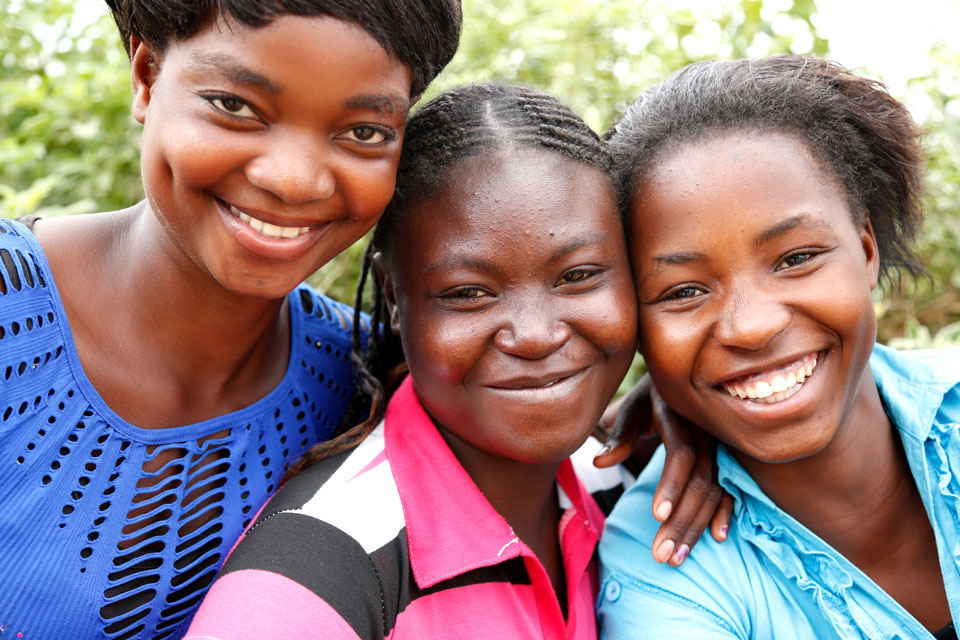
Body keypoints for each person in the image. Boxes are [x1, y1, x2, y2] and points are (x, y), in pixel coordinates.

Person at [0, 2, 461, 638]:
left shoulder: (372, 384)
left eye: (363, 132)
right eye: (236, 106)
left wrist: (651, 420)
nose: (294, 181)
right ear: (146, 75)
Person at [185, 83, 640, 639]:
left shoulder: (624, 485)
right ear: (396, 300)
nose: (536, 336)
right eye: (469, 292)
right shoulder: (320, 573)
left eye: (578, 276)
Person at [597, 55, 960, 639]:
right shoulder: (663, 573)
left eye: (795, 259)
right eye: (683, 291)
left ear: (865, 250)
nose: (751, 327)